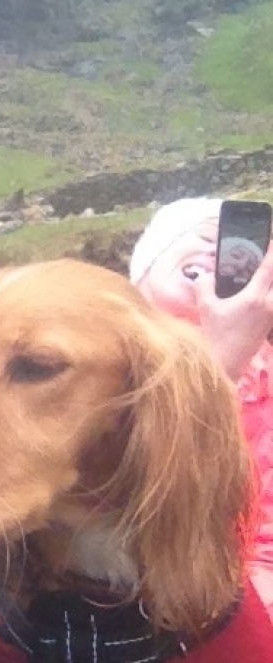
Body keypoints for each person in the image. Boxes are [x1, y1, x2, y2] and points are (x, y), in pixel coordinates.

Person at [129, 196, 273, 621]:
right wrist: (221, 361)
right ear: (142, 272)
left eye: (246, 252)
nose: (221, 254)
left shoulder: (262, 357)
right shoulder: (115, 363)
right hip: (202, 587)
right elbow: (140, 498)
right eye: (208, 238)